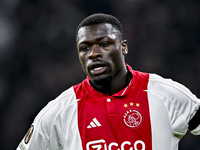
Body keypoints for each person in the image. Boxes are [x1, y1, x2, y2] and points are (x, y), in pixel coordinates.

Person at [17, 13, 200, 150]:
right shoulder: (58, 113)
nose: (94, 53)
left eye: (104, 44)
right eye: (85, 48)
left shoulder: (166, 95)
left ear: (123, 46)